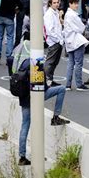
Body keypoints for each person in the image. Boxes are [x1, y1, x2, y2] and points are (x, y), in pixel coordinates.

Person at [11, 36, 70, 166]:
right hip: (36, 95)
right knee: (61, 89)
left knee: (25, 125)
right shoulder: (37, 63)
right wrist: (47, 85)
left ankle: (22, 156)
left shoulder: (23, 63)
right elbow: (41, 83)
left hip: (24, 99)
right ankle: (56, 116)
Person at [63, 0, 89, 91]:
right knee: (78, 63)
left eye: (77, 3)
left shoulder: (67, 14)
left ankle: (68, 84)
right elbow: (81, 28)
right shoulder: (73, 15)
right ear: (70, 4)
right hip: (77, 41)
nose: (76, 5)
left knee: (71, 63)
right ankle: (79, 84)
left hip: (69, 41)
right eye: (75, 3)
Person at [44, 0, 64, 86]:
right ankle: (47, 80)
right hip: (53, 42)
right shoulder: (49, 14)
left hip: (58, 41)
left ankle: (50, 80)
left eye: (57, 2)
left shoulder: (56, 12)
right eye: (54, 3)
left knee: (54, 63)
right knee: (50, 62)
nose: (56, 4)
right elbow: (49, 30)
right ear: (50, 4)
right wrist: (58, 40)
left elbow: (58, 27)